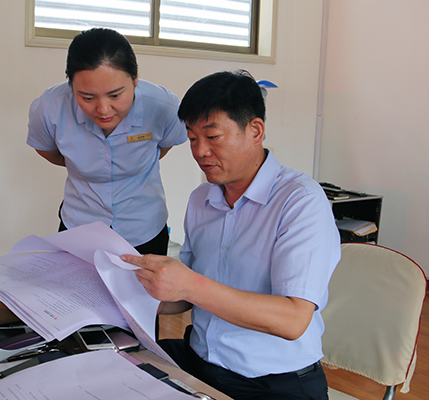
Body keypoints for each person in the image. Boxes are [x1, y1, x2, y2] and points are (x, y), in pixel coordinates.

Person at [122, 70, 341, 400]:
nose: (200, 151)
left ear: (255, 131)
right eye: (192, 138)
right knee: (109, 367)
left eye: (213, 137)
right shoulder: (202, 199)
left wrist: (189, 284)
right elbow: (186, 295)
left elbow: (293, 319)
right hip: (201, 363)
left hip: (272, 381)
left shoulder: (300, 201)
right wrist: (132, 292)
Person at [28, 28, 187, 255]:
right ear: (70, 84)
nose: (103, 110)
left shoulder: (163, 107)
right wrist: (86, 165)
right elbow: (48, 151)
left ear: (135, 77)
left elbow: (163, 146)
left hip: (143, 227)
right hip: (79, 224)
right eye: (87, 97)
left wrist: (128, 165)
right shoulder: (49, 108)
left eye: (115, 95)